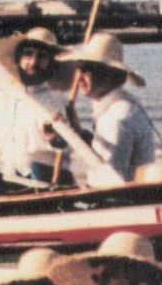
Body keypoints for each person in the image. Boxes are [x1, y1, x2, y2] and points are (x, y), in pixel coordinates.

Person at [0, 26, 70, 182]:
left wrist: (55, 139)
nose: (34, 62)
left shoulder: (54, 104)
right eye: (28, 54)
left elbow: (66, 147)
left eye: (41, 57)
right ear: (18, 58)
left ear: (50, 64)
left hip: (44, 182)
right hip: (9, 179)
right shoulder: (2, 99)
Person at [58, 33, 155, 184]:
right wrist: (76, 132)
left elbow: (110, 177)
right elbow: (101, 155)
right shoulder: (117, 107)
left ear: (109, 74)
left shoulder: (118, 116)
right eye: (78, 68)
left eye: (86, 68)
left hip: (124, 200)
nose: (79, 76)